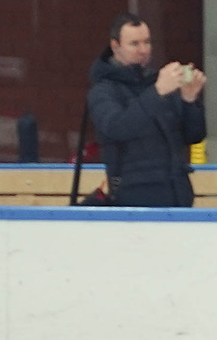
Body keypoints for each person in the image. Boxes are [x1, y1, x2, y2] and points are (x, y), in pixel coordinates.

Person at [86, 14, 208, 207]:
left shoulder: (157, 83)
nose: (143, 50)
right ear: (115, 46)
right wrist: (157, 92)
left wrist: (189, 100)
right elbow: (117, 127)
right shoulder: (103, 91)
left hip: (178, 193)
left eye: (147, 42)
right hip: (133, 198)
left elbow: (193, 135)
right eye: (134, 44)